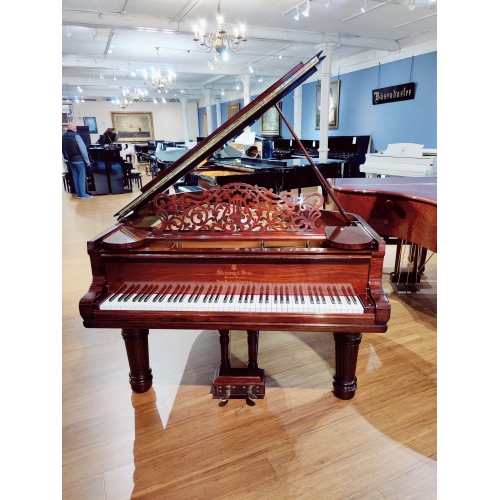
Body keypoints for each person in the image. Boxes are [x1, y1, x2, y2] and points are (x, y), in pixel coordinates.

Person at [62, 122, 92, 199]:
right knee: (81, 176)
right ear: (74, 128)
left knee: (75, 176)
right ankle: (82, 194)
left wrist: (66, 159)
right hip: (79, 159)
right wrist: (87, 160)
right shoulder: (76, 136)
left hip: (70, 160)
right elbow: (83, 149)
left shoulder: (63, 137)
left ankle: (78, 193)